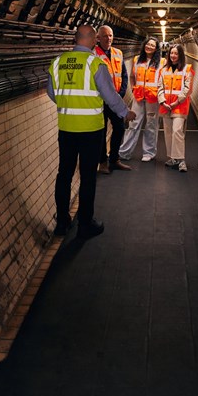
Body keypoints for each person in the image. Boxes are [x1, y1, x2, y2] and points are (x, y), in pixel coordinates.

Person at [47, 25, 136, 239]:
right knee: (88, 177)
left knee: (64, 174)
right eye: (95, 38)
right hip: (90, 130)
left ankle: (62, 222)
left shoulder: (57, 62)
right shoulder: (94, 63)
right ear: (90, 39)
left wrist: (68, 104)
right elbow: (110, 95)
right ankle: (85, 224)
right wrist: (125, 112)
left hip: (66, 128)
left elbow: (52, 93)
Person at [119, 36, 162, 163]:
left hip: (152, 99)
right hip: (138, 97)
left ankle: (148, 152)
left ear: (156, 49)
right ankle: (124, 152)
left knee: (151, 125)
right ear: (144, 45)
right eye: (148, 44)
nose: (149, 47)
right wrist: (133, 88)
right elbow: (132, 76)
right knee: (133, 124)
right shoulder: (137, 59)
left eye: (152, 45)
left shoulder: (162, 62)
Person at [94, 25, 131, 174]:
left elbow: (124, 75)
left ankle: (114, 159)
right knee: (101, 132)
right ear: (98, 38)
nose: (108, 38)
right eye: (105, 36)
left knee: (120, 128)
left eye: (110, 35)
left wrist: (121, 94)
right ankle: (102, 162)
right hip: (100, 101)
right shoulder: (93, 55)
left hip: (115, 99)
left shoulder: (118, 53)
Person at [158, 43, 194, 172]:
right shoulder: (163, 70)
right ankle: (172, 158)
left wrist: (176, 102)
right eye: (171, 53)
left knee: (177, 131)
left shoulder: (187, 69)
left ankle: (181, 160)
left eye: (176, 53)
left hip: (179, 106)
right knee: (168, 133)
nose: (173, 56)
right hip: (166, 106)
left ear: (180, 55)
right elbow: (160, 87)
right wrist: (162, 101)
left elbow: (187, 89)